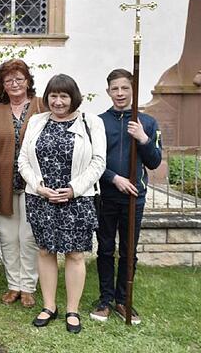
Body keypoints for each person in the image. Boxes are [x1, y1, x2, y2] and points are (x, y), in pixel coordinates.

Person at [19, 74, 106, 334]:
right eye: (53, 96)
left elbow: (98, 162)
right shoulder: (36, 121)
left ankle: (72, 310)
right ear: (47, 98)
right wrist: (38, 187)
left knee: (75, 254)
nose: (58, 101)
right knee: (45, 251)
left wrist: (72, 190)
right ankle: (48, 306)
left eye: (64, 96)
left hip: (76, 200)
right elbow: (23, 159)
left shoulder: (91, 122)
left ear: (73, 97)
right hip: (41, 198)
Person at [90, 69, 162, 324]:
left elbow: (154, 162)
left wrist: (143, 139)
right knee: (106, 249)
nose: (120, 93)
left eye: (125, 89)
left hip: (134, 198)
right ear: (108, 91)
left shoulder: (148, 123)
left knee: (128, 251)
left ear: (133, 90)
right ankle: (105, 299)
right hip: (106, 196)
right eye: (115, 89)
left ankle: (124, 299)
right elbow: (93, 160)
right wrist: (114, 178)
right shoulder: (98, 122)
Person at [0, 59, 45, 308]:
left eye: (19, 79)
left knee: (29, 238)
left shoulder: (42, 106)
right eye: (9, 80)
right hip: (5, 184)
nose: (15, 84)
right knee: (8, 237)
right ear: (3, 85)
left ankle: (28, 287)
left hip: (35, 186)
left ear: (28, 81)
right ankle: (13, 285)